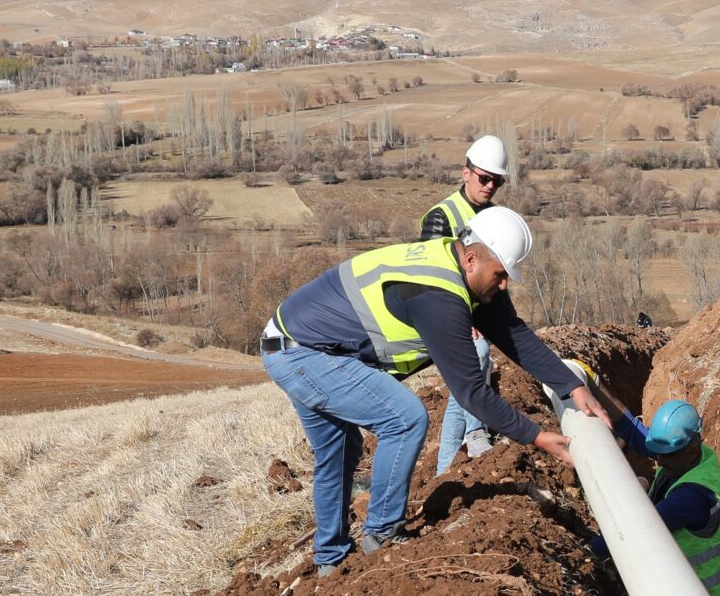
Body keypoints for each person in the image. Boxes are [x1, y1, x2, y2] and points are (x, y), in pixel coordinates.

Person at [260, 204, 611, 568]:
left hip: (295, 342)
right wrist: (538, 437)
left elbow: (513, 334)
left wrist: (572, 386)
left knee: (342, 450)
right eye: (501, 274)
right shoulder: (437, 296)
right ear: (472, 259)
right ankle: (382, 534)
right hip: (303, 353)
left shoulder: (459, 268)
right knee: (405, 418)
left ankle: (331, 560)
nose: (504, 284)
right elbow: (471, 391)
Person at [585, 398, 720, 596]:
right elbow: (632, 428)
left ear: (691, 449)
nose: (658, 461)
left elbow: (636, 528)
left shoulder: (691, 496)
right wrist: (590, 383)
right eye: (658, 452)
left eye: (666, 456)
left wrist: (587, 552)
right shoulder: (687, 457)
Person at [420, 135, 513, 475]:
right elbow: (432, 276)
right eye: (484, 178)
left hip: (476, 314)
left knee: (467, 381)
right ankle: (475, 433)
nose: (490, 186)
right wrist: (461, 319)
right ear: (466, 173)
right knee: (477, 359)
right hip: (447, 314)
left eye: (496, 181)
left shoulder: (495, 217)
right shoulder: (440, 217)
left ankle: (444, 468)